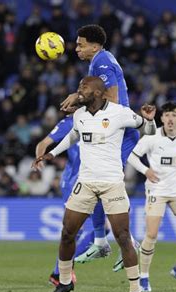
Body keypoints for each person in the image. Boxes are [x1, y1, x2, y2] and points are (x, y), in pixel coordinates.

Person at [34, 76, 156, 292]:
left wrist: (150, 120)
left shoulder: (120, 113)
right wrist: (52, 153)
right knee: (67, 233)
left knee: (122, 237)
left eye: (84, 87)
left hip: (112, 184)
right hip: (86, 183)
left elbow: (147, 129)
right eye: (79, 86)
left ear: (99, 93)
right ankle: (65, 282)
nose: (79, 90)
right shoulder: (79, 115)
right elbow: (73, 136)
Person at [60, 24, 141, 271]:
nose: (76, 48)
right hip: (113, 130)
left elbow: (113, 101)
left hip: (119, 133)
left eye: (80, 44)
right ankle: (100, 240)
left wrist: (79, 100)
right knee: (93, 179)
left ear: (94, 45)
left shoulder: (102, 62)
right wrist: (81, 100)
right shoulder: (99, 60)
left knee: (102, 181)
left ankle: (126, 243)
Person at [127, 101, 176, 292]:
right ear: (161, 118)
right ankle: (143, 277)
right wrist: (146, 171)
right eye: (167, 115)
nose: (170, 119)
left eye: (174, 115)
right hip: (157, 190)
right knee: (151, 234)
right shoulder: (152, 137)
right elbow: (131, 156)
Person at [34, 115, 110, 286]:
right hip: (73, 181)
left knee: (104, 229)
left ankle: (60, 269)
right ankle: (59, 272)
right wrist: (40, 157)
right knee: (75, 229)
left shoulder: (104, 117)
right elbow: (43, 143)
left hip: (94, 179)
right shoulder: (70, 122)